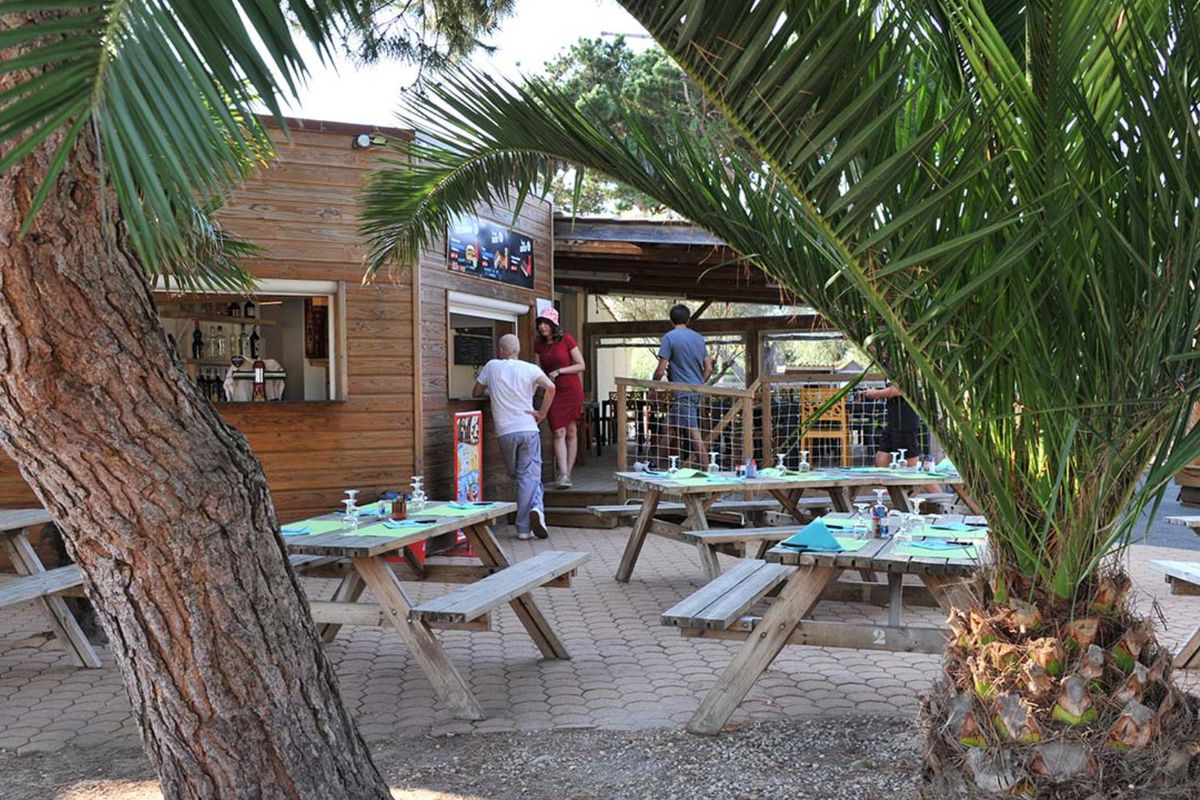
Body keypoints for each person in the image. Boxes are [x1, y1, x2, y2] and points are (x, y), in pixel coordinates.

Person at [473, 334, 554, 540]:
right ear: (518, 350)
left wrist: (494, 393)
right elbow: (551, 387)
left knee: (525, 476)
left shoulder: (492, 366)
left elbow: (476, 392)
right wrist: (542, 413)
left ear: (501, 350)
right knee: (529, 476)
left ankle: (535, 512)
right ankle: (526, 524)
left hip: (505, 432)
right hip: (528, 428)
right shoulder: (531, 369)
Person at [532, 307, 586, 489]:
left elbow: (581, 365)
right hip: (552, 391)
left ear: (553, 324)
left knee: (571, 431)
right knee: (557, 431)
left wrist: (560, 371)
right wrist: (533, 388)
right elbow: (537, 370)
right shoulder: (538, 344)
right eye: (540, 323)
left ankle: (566, 474)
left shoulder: (567, 339)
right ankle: (562, 473)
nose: (542, 326)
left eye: (546, 323)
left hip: (571, 389)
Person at [653, 304, 712, 466]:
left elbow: (660, 370)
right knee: (668, 425)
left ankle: (708, 470)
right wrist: (698, 384)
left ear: (671, 320)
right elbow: (709, 368)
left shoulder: (669, 338)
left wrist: (652, 387)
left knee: (694, 434)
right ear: (688, 320)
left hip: (684, 392)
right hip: (695, 391)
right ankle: (654, 463)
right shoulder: (698, 338)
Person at [862, 382, 923, 467]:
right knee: (881, 456)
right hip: (892, 420)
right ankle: (882, 475)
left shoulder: (906, 375)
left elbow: (898, 390)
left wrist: (876, 393)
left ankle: (913, 474)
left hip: (906, 420)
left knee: (909, 456)